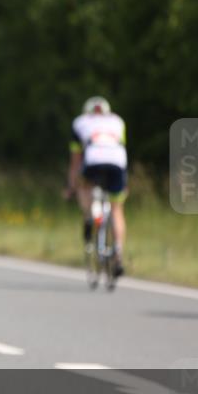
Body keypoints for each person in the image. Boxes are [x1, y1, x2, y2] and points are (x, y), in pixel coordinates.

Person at [64, 96, 128, 277]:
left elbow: (75, 161)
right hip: (117, 162)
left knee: (84, 187)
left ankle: (90, 216)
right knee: (117, 209)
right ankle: (118, 254)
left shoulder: (80, 122)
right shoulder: (117, 121)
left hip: (93, 159)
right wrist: (126, 184)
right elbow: (121, 149)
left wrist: (71, 186)